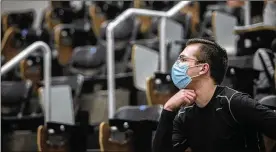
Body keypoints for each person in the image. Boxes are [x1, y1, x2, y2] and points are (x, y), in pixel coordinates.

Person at [152, 38, 276, 152]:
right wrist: (168, 109)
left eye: (183, 59)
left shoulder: (234, 102)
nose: (176, 65)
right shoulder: (185, 115)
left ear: (203, 68)